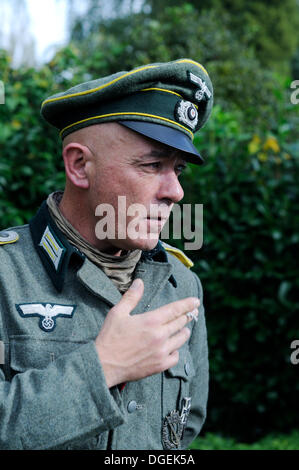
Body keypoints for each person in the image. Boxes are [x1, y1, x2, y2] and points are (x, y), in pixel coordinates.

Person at [0, 58, 213, 450]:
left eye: (178, 169)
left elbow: (183, 430)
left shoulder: (181, 285)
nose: (176, 192)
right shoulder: (4, 276)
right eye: (152, 165)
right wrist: (103, 367)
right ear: (80, 165)